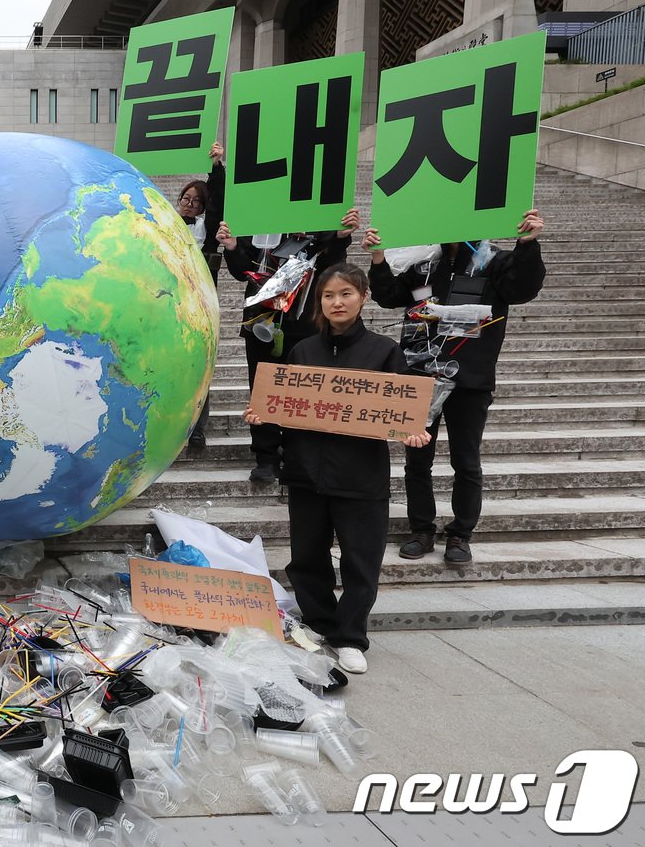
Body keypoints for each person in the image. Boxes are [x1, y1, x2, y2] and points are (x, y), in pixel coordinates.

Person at [243, 263, 431, 675]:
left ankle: (350, 637)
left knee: (360, 561)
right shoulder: (303, 350)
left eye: (345, 293)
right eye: (328, 295)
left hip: (360, 476)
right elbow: (286, 405)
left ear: (363, 297)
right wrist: (264, 416)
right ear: (319, 302)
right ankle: (320, 625)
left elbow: (403, 411)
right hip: (307, 473)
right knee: (306, 558)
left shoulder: (384, 351)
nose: (337, 302)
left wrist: (413, 432)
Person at [366, 209, 546, 565]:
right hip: (421, 375)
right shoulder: (423, 265)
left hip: (470, 380)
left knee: (466, 461)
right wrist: (378, 257)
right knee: (417, 460)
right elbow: (387, 295)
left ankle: (461, 534)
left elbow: (524, 287)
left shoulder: (492, 261)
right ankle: (421, 529)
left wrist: (528, 243)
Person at [217, 209, 358, 481]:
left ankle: (299, 454)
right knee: (262, 389)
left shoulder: (318, 221)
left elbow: (331, 266)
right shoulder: (256, 222)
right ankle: (266, 456)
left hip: (305, 324)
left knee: (303, 392)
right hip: (262, 321)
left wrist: (339, 237)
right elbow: (241, 270)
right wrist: (232, 246)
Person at [176, 142, 225, 449]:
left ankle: (197, 428)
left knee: (199, 367)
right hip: (171, 304)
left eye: (196, 200)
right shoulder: (166, 224)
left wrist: (216, 167)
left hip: (202, 306)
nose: (190, 203)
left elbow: (219, 199)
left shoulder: (207, 233)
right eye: (186, 198)